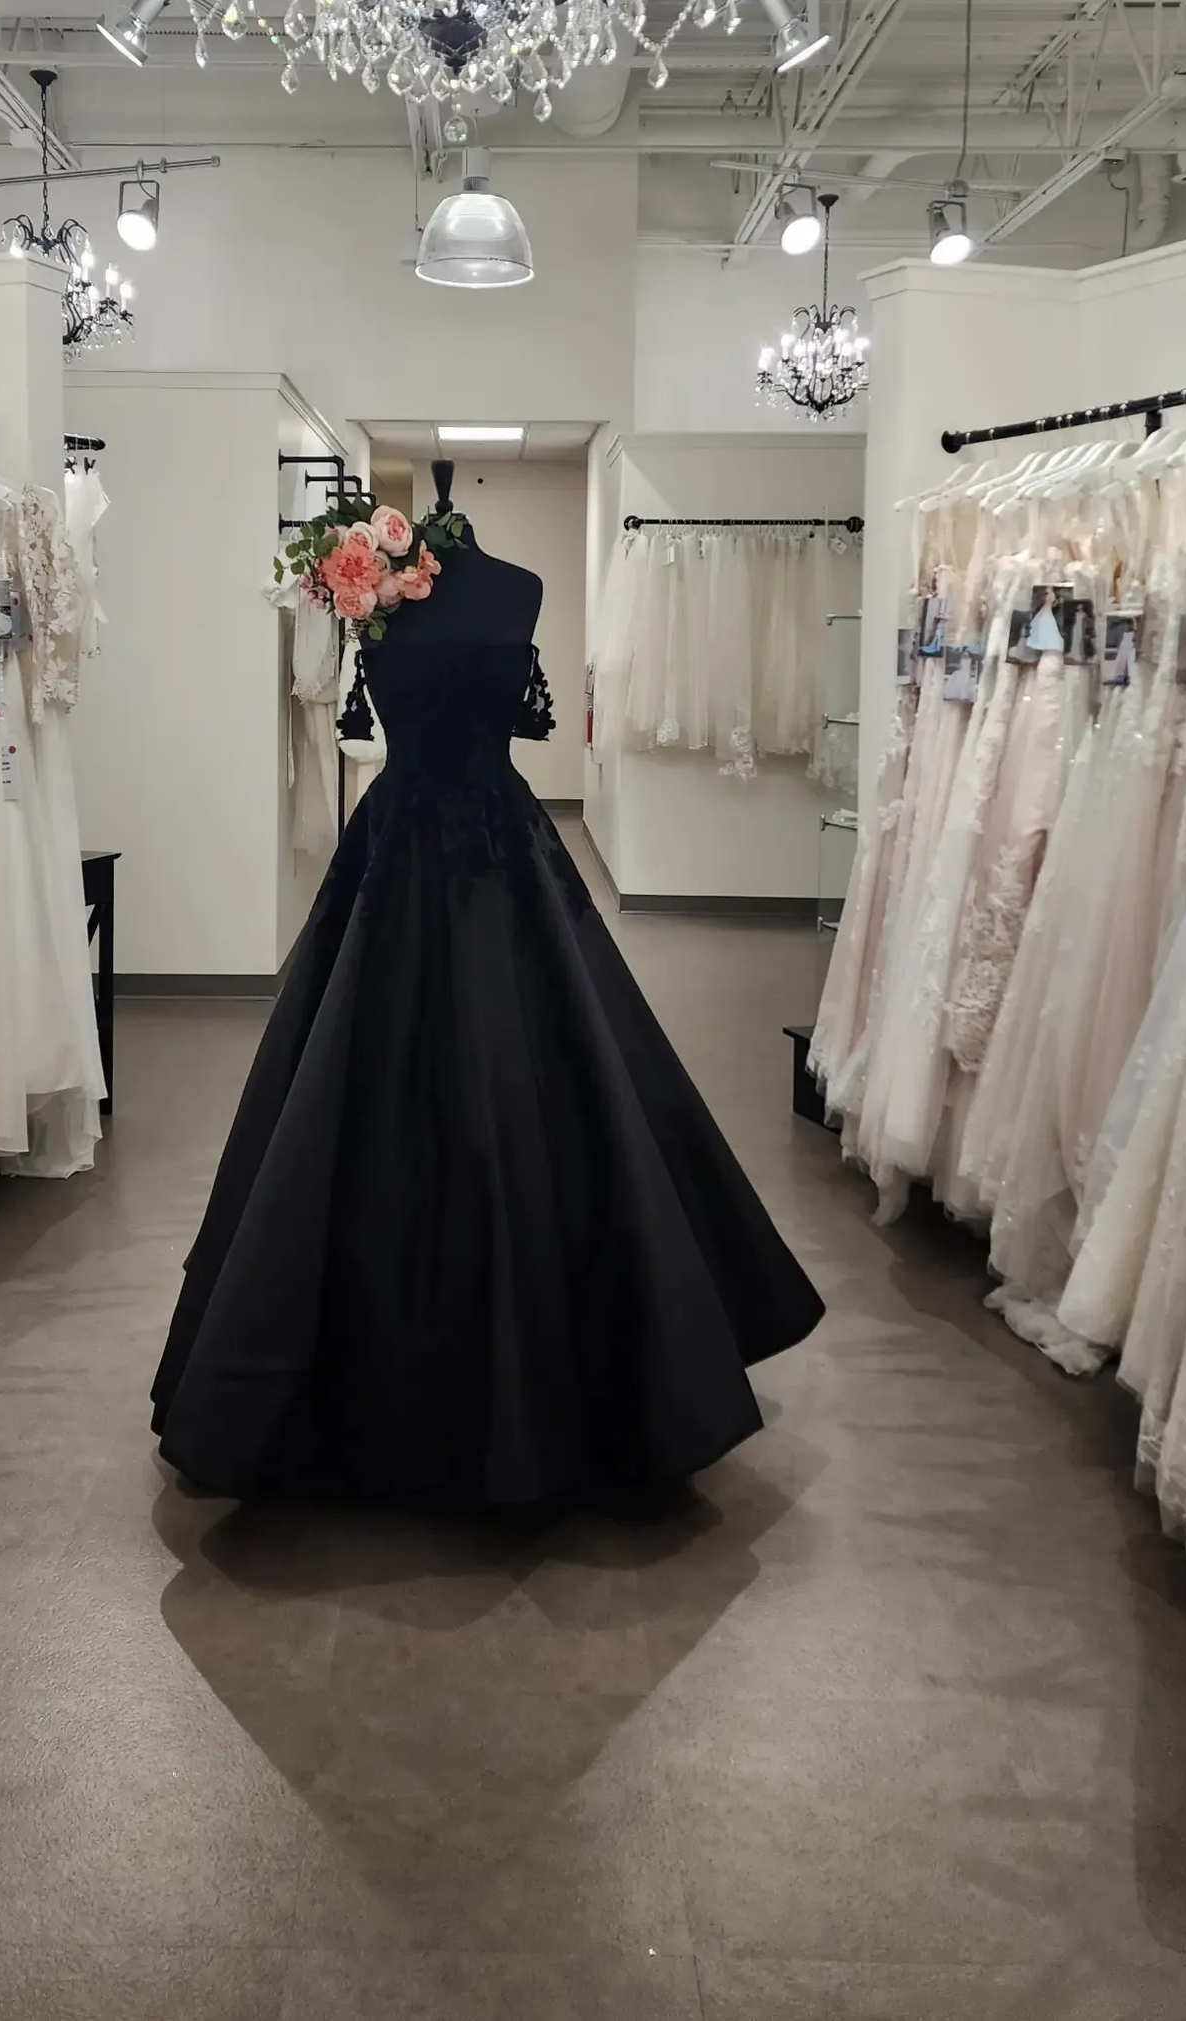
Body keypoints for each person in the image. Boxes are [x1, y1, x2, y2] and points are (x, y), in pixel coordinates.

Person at [149, 466, 824, 1504]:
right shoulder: (367, 583)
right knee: (353, 1088)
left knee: (543, 1076)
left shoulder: (511, 585)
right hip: (405, 855)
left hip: (497, 856)